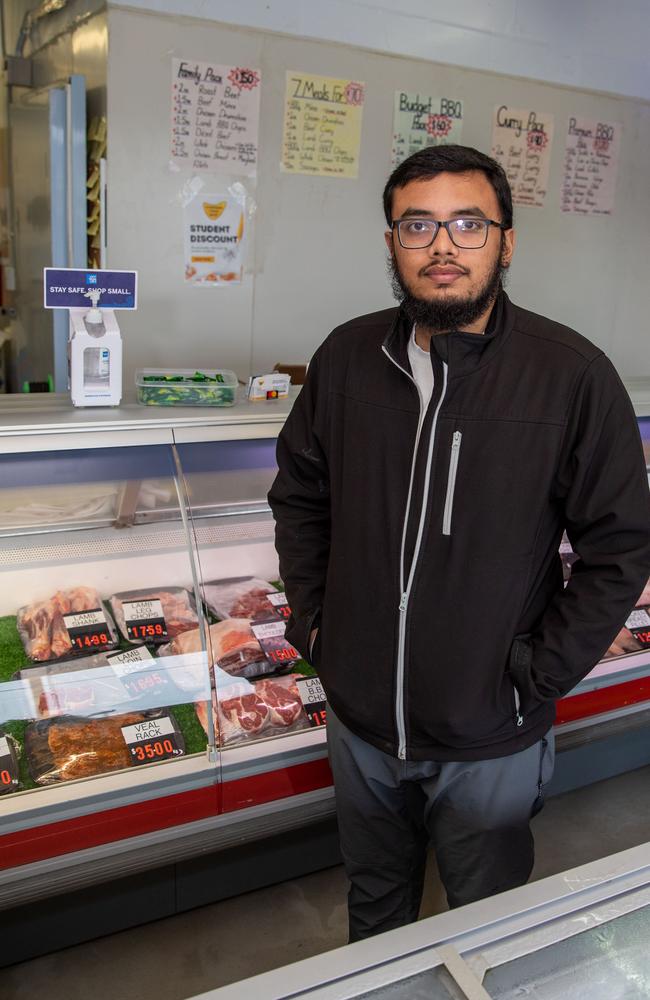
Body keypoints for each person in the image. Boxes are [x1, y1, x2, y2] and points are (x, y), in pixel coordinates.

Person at [268, 144, 650, 941]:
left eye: (468, 224)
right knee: (375, 912)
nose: (443, 247)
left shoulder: (571, 375)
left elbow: (621, 546)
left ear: (506, 242)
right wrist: (314, 624)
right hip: (361, 721)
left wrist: (536, 675)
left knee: (485, 927)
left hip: (490, 734)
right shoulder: (345, 357)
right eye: (419, 225)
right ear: (392, 244)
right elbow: (300, 496)